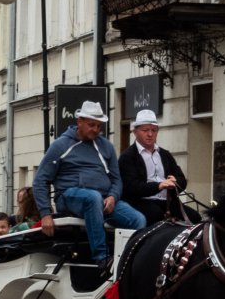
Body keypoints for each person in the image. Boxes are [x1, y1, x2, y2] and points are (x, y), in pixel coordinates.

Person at [33, 100, 145, 277]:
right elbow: (40, 180)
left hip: (103, 200)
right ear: (80, 122)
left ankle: (129, 261)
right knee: (92, 198)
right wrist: (45, 213)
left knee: (137, 219)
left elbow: (117, 180)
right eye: (91, 125)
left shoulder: (106, 146)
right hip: (69, 196)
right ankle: (102, 258)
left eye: (99, 126)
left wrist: (113, 197)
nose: (95, 129)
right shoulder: (61, 145)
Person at [119, 109, 188, 224]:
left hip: (168, 202)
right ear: (135, 132)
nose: (150, 134)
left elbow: (182, 180)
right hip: (141, 201)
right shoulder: (127, 156)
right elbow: (131, 187)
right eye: (145, 130)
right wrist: (159, 186)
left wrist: (175, 183)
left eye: (154, 130)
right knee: (156, 216)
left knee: (195, 219)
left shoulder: (165, 154)